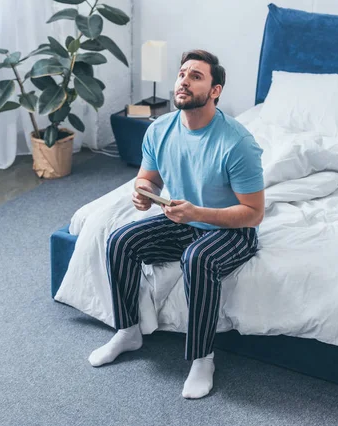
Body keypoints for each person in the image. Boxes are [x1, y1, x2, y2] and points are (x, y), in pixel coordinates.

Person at [88, 49, 265, 399]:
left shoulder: (237, 143)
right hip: (184, 218)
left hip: (233, 230)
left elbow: (254, 212)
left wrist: (197, 213)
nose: (184, 80)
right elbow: (148, 180)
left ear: (215, 91)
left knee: (198, 259)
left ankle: (202, 357)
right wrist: (143, 193)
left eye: (196, 76)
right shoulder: (159, 129)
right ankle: (128, 331)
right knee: (120, 240)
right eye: (182, 74)